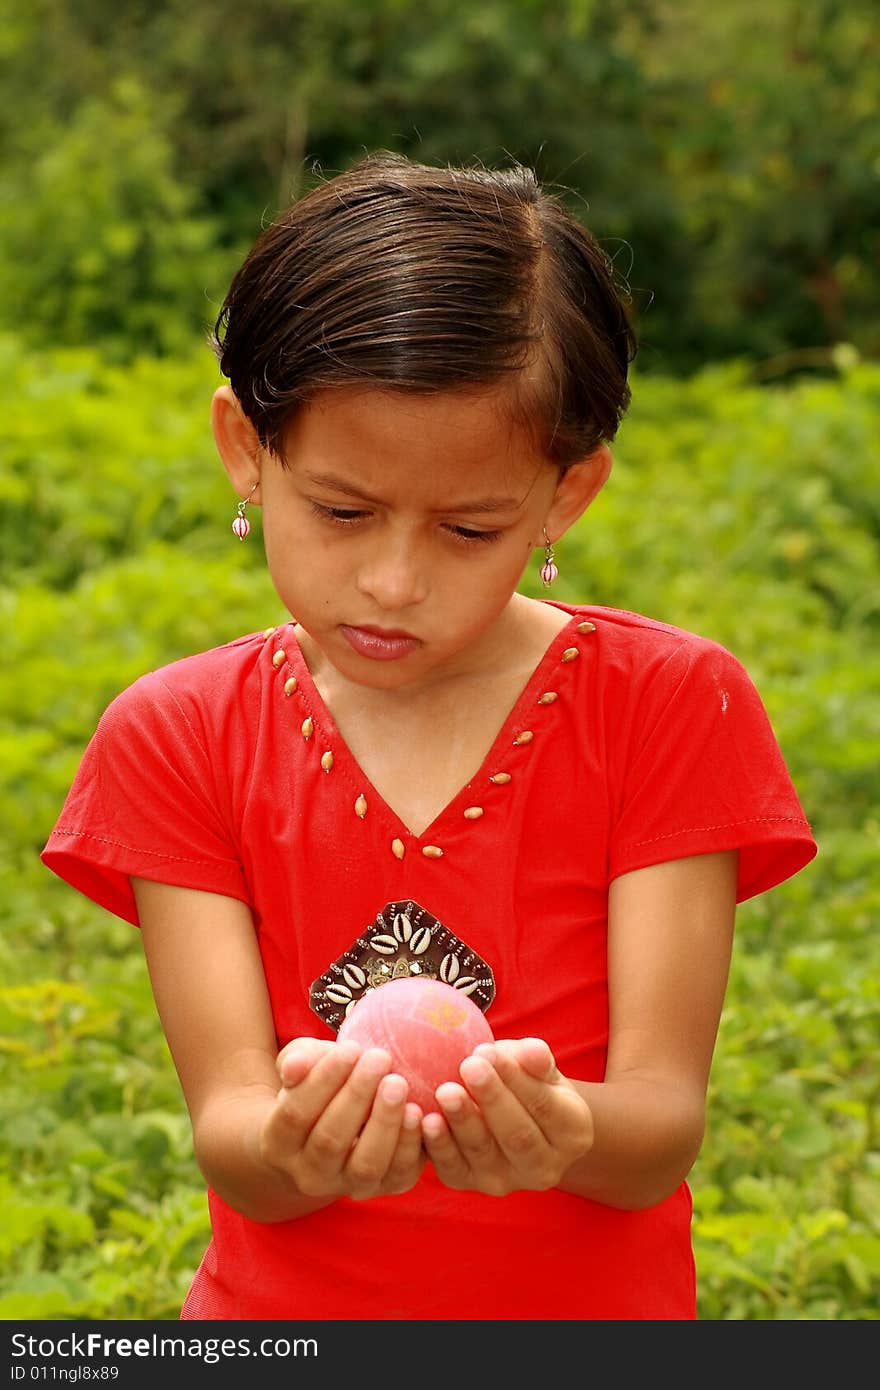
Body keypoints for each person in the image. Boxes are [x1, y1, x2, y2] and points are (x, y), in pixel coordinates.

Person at [41, 150, 817, 1321]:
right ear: (248, 452)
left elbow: (657, 1123)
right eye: (342, 511)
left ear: (566, 496)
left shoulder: (666, 704)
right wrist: (293, 1145)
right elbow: (232, 1131)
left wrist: (567, 1131)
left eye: (468, 527)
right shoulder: (180, 735)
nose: (393, 580)